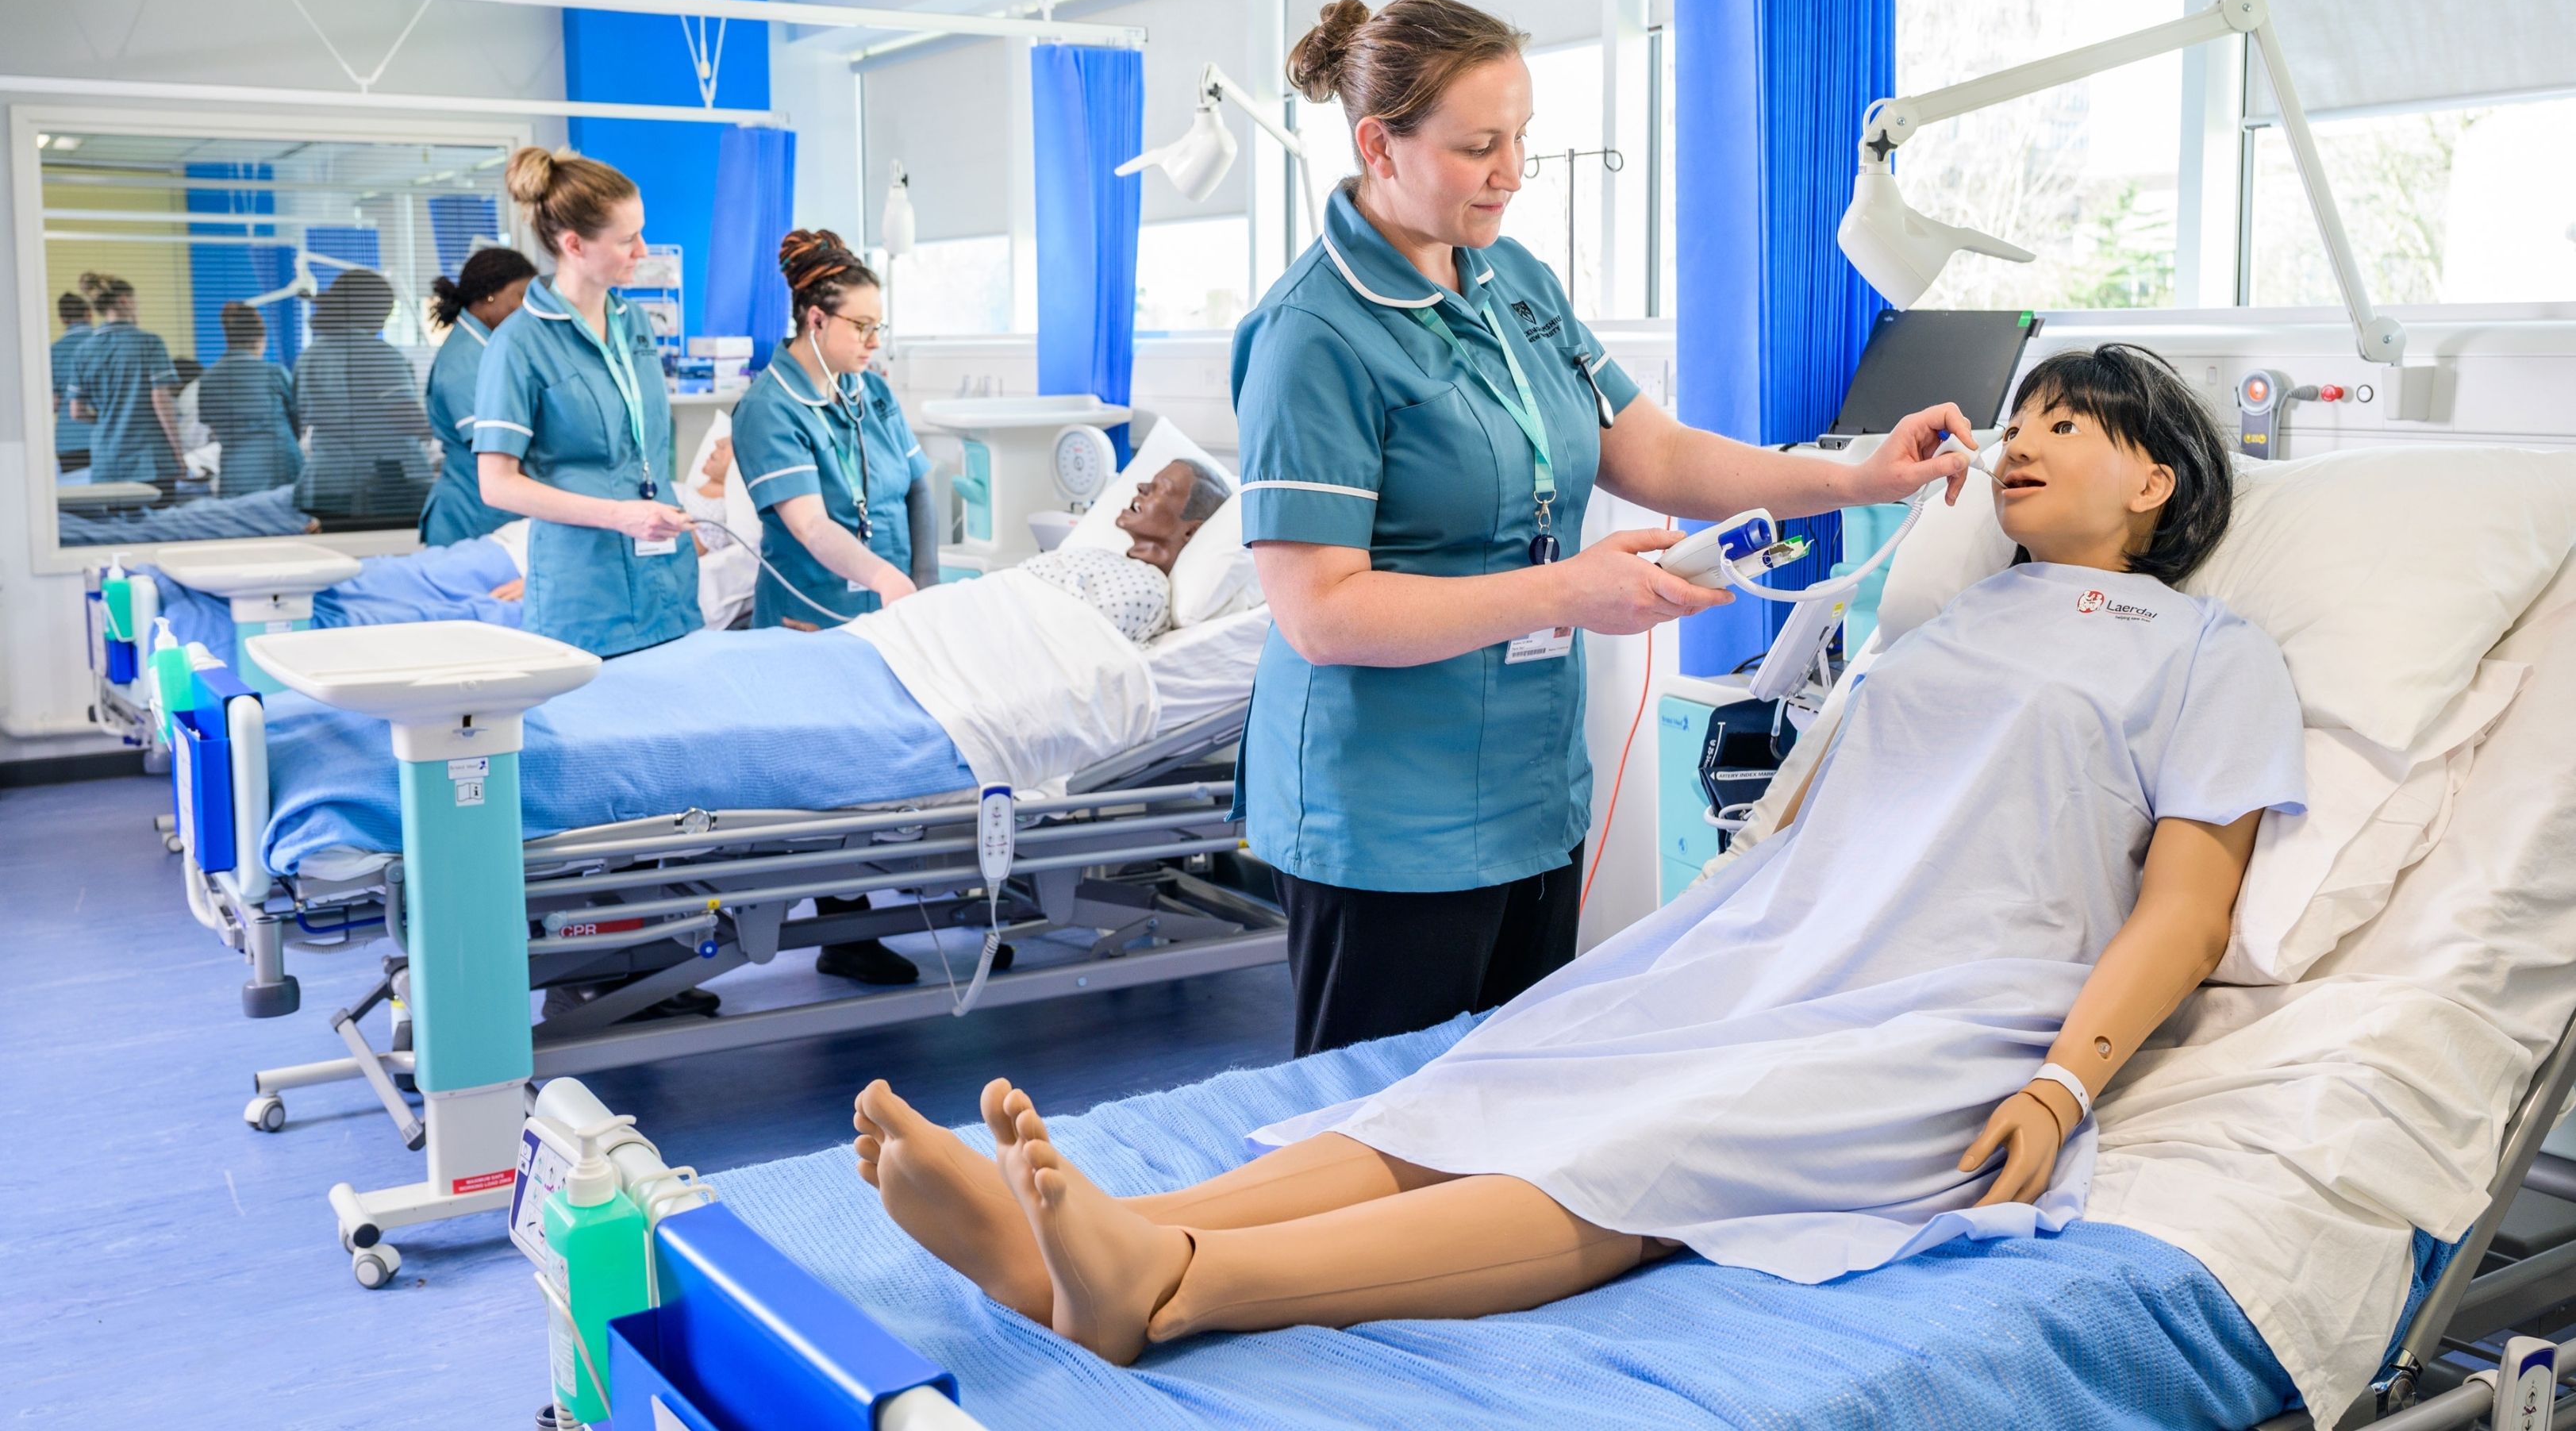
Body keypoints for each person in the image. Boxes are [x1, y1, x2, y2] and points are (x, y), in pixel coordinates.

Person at [853, 344, 2308, 1364]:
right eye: (2023, 418)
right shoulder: (1954, 614)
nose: (2022, 444)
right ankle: (1101, 1229)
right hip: (1774, 947)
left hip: (1949, 1005)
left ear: (2159, 484)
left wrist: (2059, 1088)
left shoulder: (2204, 650)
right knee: (1505, 1073)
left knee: (1639, 1146)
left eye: (2070, 424)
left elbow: (2184, 909)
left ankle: (1180, 1285)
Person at [1226, 0, 1982, 1057]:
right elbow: (1320, 614)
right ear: (1376, 146)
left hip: (1530, 791)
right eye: (1479, 146)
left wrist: (1856, 480)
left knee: (1510, 1107)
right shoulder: (1313, 334)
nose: (1512, 172)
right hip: (1384, 818)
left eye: (1522, 138)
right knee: (1377, 1129)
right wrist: (1566, 593)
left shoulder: (1512, 283)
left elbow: (1656, 453)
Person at [473, 147, 699, 660]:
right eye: (627, 239)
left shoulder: (636, 325)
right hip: (583, 593)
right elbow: (496, 484)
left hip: (663, 575)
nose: (643, 250)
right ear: (574, 244)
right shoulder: (519, 345)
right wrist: (620, 515)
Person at [731, 229, 936, 630]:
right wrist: (884, 577)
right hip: (811, 617)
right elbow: (811, 525)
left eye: (879, 326)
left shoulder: (871, 391)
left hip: (892, 611)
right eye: (862, 326)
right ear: (817, 320)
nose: (874, 342)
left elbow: (919, 488)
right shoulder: (768, 409)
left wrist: (925, 585)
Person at [1013, 458, 1230, 644]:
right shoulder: (1103, 557)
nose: (1142, 487)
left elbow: (1066, 642)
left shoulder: (1148, 588)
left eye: (1161, 488)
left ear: (1190, 531)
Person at [293, 267, 433, 525]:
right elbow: (405, 416)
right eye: (387, 311)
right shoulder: (379, 354)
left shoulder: (309, 356)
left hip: (324, 482)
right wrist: (438, 432)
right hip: (377, 483)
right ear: (371, 308)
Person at [420, 246, 536, 545]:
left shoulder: (490, 349)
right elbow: (496, 449)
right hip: (470, 518)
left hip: (489, 512)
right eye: (521, 297)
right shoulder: (465, 361)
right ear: (489, 295)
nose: (528, 308)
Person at [63, 273, 183, 491]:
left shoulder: (83, 352)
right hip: (148, 461)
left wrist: (111, 416)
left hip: (107, 463)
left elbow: (76, 412)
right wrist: (178, 453)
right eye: (136, 302)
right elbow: (160, 400)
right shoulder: (149, 343)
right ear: (125, 301)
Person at [197, 300, 301, 498]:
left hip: (237, 471)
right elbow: (296, 418)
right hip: (279, 465)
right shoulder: (273, 372)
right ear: (259, 340)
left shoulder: (208, 379)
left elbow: (214, 429)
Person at [51, 289, 95, 473]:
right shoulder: (103, 344)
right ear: (89, 313)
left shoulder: (53, 352)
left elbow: (53, 403)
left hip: (69, 442)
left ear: (62, 319)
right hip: (105, 438)